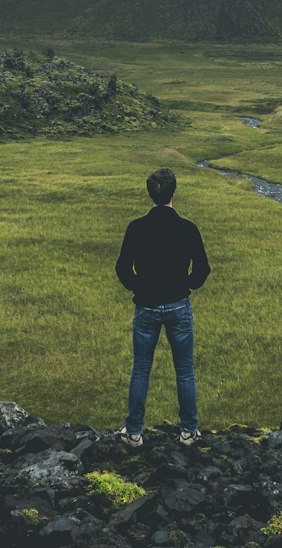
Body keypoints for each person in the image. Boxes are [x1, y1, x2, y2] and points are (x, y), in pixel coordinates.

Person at [114, 167, 210, 445]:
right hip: (179, 304)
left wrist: (138, 286)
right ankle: (189, 430)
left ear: (150, 194)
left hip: (146, 306)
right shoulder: (187, 228)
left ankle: (133, 432)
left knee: (141, 368)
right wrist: (188, 284)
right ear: (173, 192)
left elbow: (122, 268)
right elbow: (202, 268)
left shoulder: (136, 227)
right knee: (185, 369)